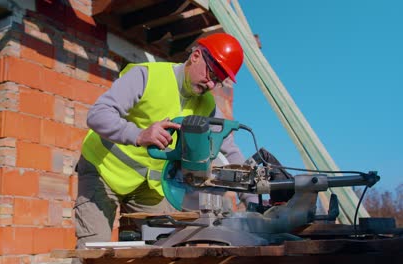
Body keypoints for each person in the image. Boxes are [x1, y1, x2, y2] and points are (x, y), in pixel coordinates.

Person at [73, 33, 292, 255]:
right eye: (210, 74)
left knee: (169, 248)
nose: (210, 84)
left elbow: (229, 150)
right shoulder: (147, 76)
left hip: (148, 186)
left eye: (217, 80)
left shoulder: (207, 105)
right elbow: (97, 115)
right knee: (93, 252)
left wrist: (254, 202)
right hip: (103, 171)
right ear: (196, 56)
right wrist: (139, 135)